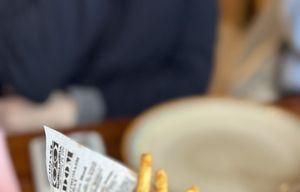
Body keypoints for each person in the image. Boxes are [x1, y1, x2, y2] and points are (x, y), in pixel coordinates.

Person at [0, 0, 217, 133]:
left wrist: (76, 108)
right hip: (27, 130)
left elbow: (191, 79)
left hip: (124, 128)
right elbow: (32, 76)